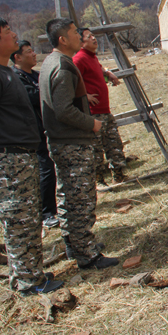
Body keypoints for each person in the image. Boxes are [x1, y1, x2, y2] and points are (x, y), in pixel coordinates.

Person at [0, 16, 64, 295]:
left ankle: (31, 272)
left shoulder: (4, 70)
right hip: (7, 161)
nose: (14, 35)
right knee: (18, 220)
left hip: (22, 157)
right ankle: (28, 282)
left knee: (28, 218)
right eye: (7, 32)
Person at [40, 18, 119, 270]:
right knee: (81, 199)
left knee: (68, 195)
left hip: (63, 141)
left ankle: (74, 244)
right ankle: (87, 253)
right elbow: (63, 110)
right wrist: (90, 124)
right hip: (72, 143)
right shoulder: (62, 67)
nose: (81, 36)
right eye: (75, 33)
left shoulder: (51, 63)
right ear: (63, 39)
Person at [11, 40, 59, 228]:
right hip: (31, 134)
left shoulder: (36, 75)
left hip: (46, 129)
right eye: (29, 51)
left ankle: (53, 207)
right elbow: (34, 97)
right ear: (18, 57)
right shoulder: (16, 78)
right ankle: (47, 213)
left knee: (50, 168)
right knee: (45, 170)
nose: (34, 54)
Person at [72, 27, 127, 185]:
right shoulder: (78, 59)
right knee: (96, 149)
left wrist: (107, 73)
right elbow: (72, 81)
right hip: (93, 113)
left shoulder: (92, 57)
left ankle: (118, 175)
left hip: (105, 111)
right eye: (89, 37)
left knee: (113, 143)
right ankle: (99, 180)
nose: (94, 39)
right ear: (81, 42)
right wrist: (84, 96)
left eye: (94, 36)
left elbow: (98, 68)